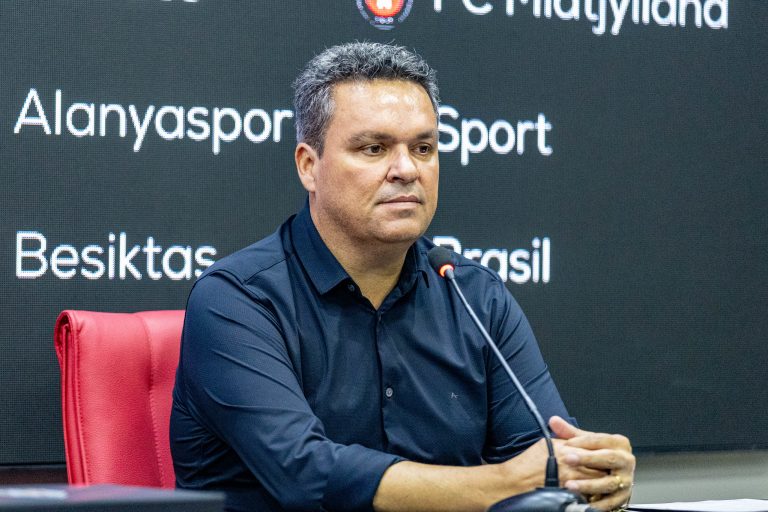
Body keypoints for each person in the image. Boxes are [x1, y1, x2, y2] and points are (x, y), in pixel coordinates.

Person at [170, 42, 635, 512]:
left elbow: (544, 459)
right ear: (309, 166)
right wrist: (503, 483)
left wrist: (590, 471)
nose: (407, 170)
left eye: (424, 148)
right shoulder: (237, 300)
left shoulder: (475, 295)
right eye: (374, 148)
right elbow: (305, 474)